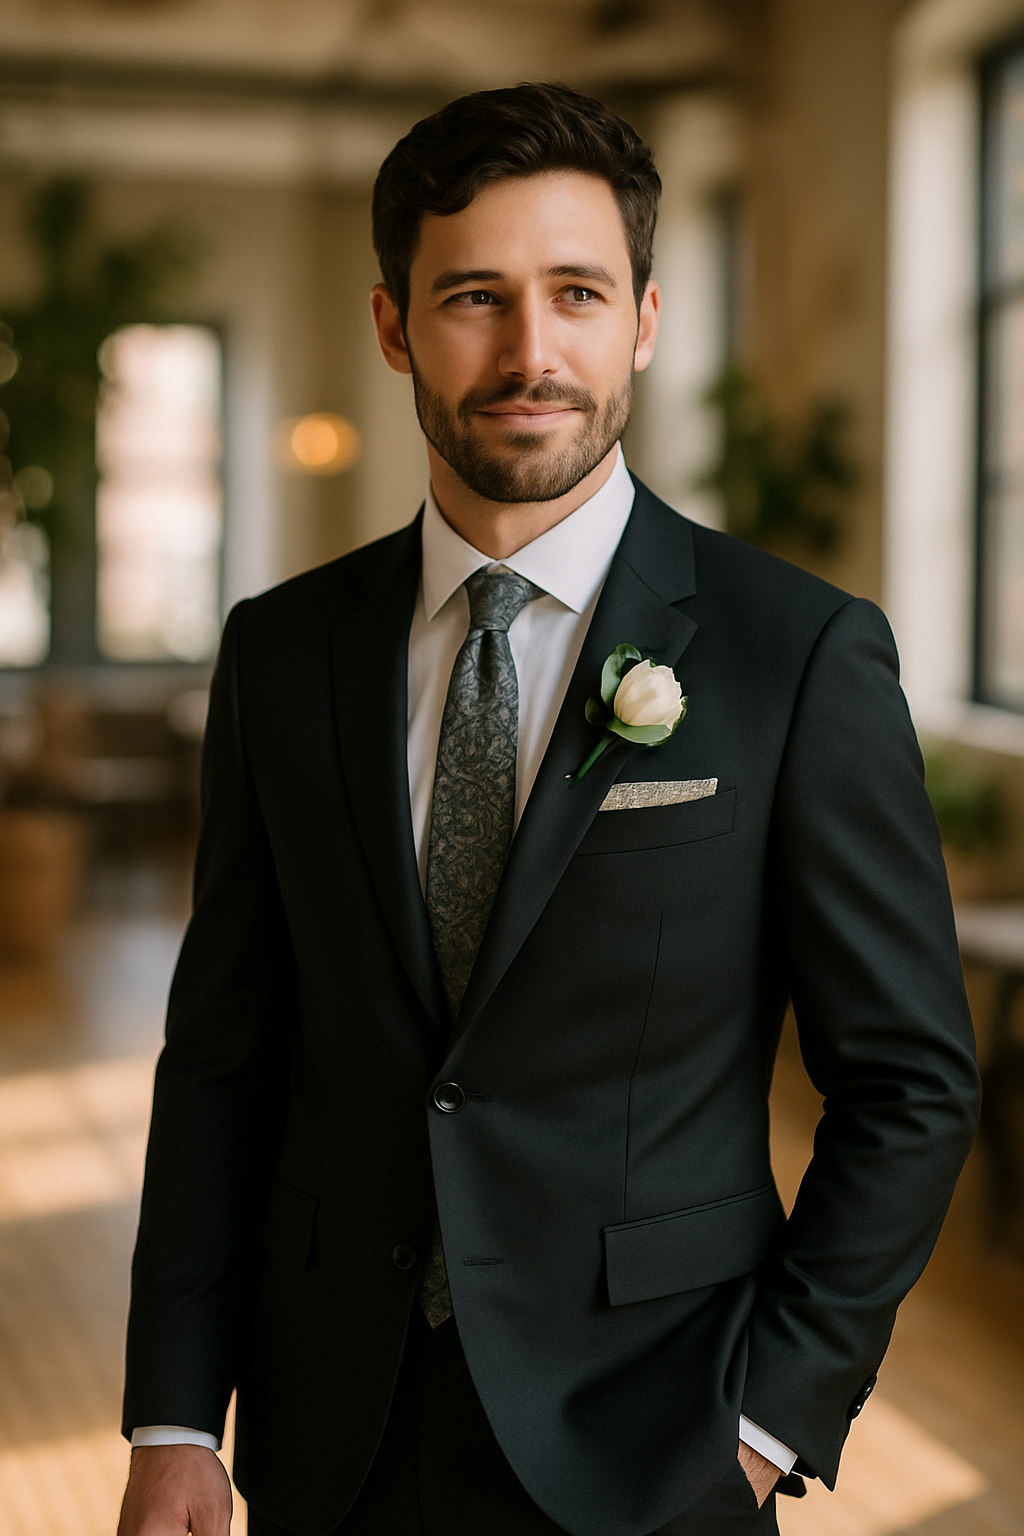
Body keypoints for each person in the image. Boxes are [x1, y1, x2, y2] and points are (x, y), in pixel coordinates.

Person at [116, 83, 980, 1536]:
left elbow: (909, 1083)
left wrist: (769, 1419)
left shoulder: (796, 654)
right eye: (474, 298)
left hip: (661, 1434)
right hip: (333, 1434)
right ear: (395, 325)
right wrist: (173, 1417)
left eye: (578, 293)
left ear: (642, 317)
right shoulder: (283, 652)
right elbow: (223, 1060)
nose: (532, 352)